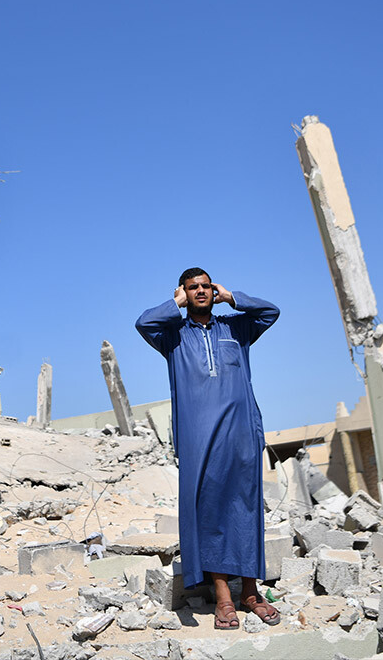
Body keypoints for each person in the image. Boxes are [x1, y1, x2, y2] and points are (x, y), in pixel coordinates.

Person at [135, 267, 281, 630]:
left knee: (246, 511)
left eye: (205, 286)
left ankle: (251, 592)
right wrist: (175, 303)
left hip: (242, 434)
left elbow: (270, 312)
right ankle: (224, 599)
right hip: (200, 440)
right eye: (192, 288)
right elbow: (143, 323)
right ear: (182, 293)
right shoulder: (171, 335)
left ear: (214, 291)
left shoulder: (236, 328)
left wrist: (233, 297)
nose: (200, 291)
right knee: (210, 513)